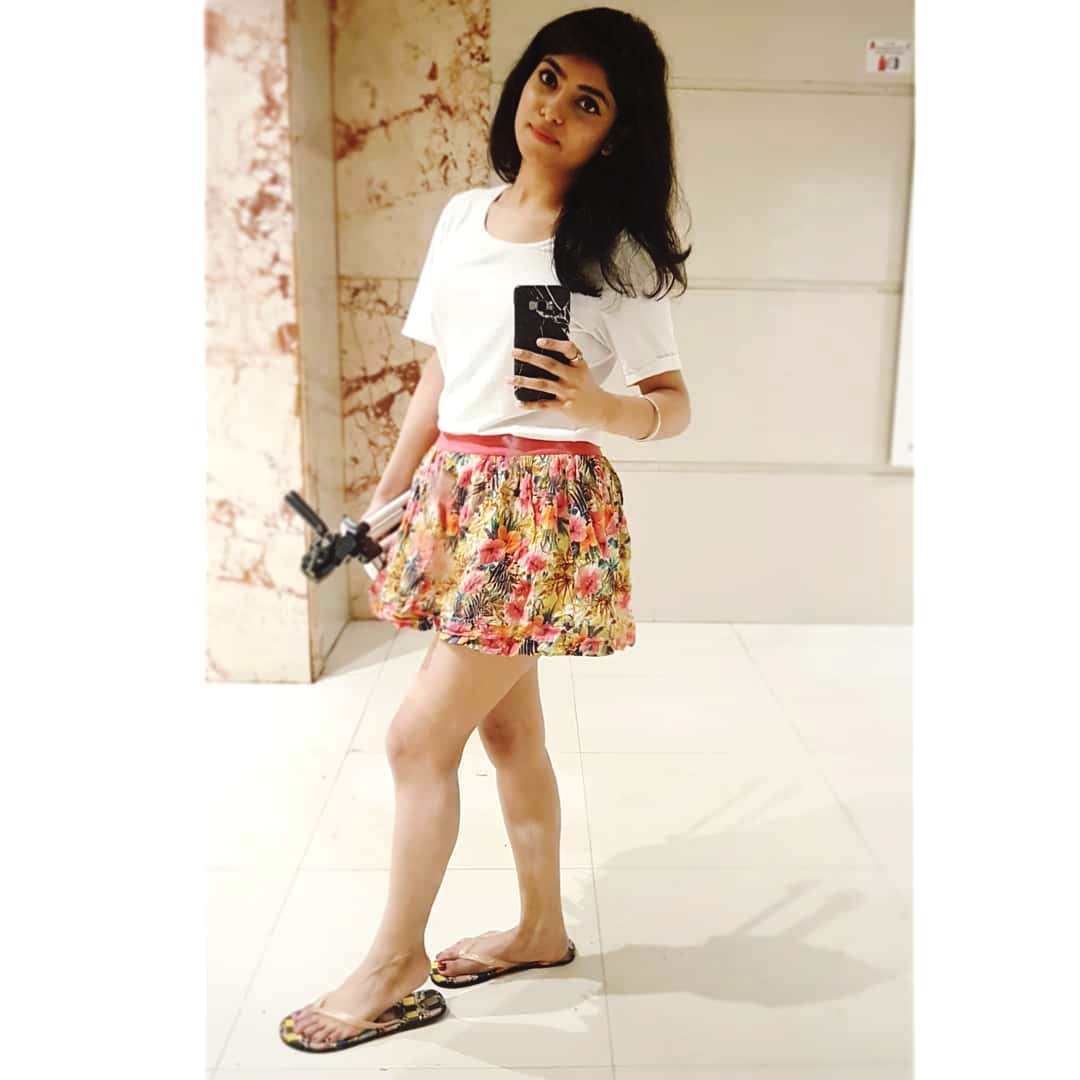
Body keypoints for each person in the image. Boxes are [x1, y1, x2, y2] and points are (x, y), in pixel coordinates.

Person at [281, 6, 692, 1054]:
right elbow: (437, 376)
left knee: (416, 736)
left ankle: (394, 963)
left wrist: (598, 407)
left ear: (617, 134)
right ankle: (541, 928)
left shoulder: (615, 255)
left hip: (544, 511)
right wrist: (386, 501)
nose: (554, 108)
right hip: (460, 495)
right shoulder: (464, 218)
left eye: (589, 102)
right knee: (510, 732)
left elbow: (673, 405)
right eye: (547, 79)